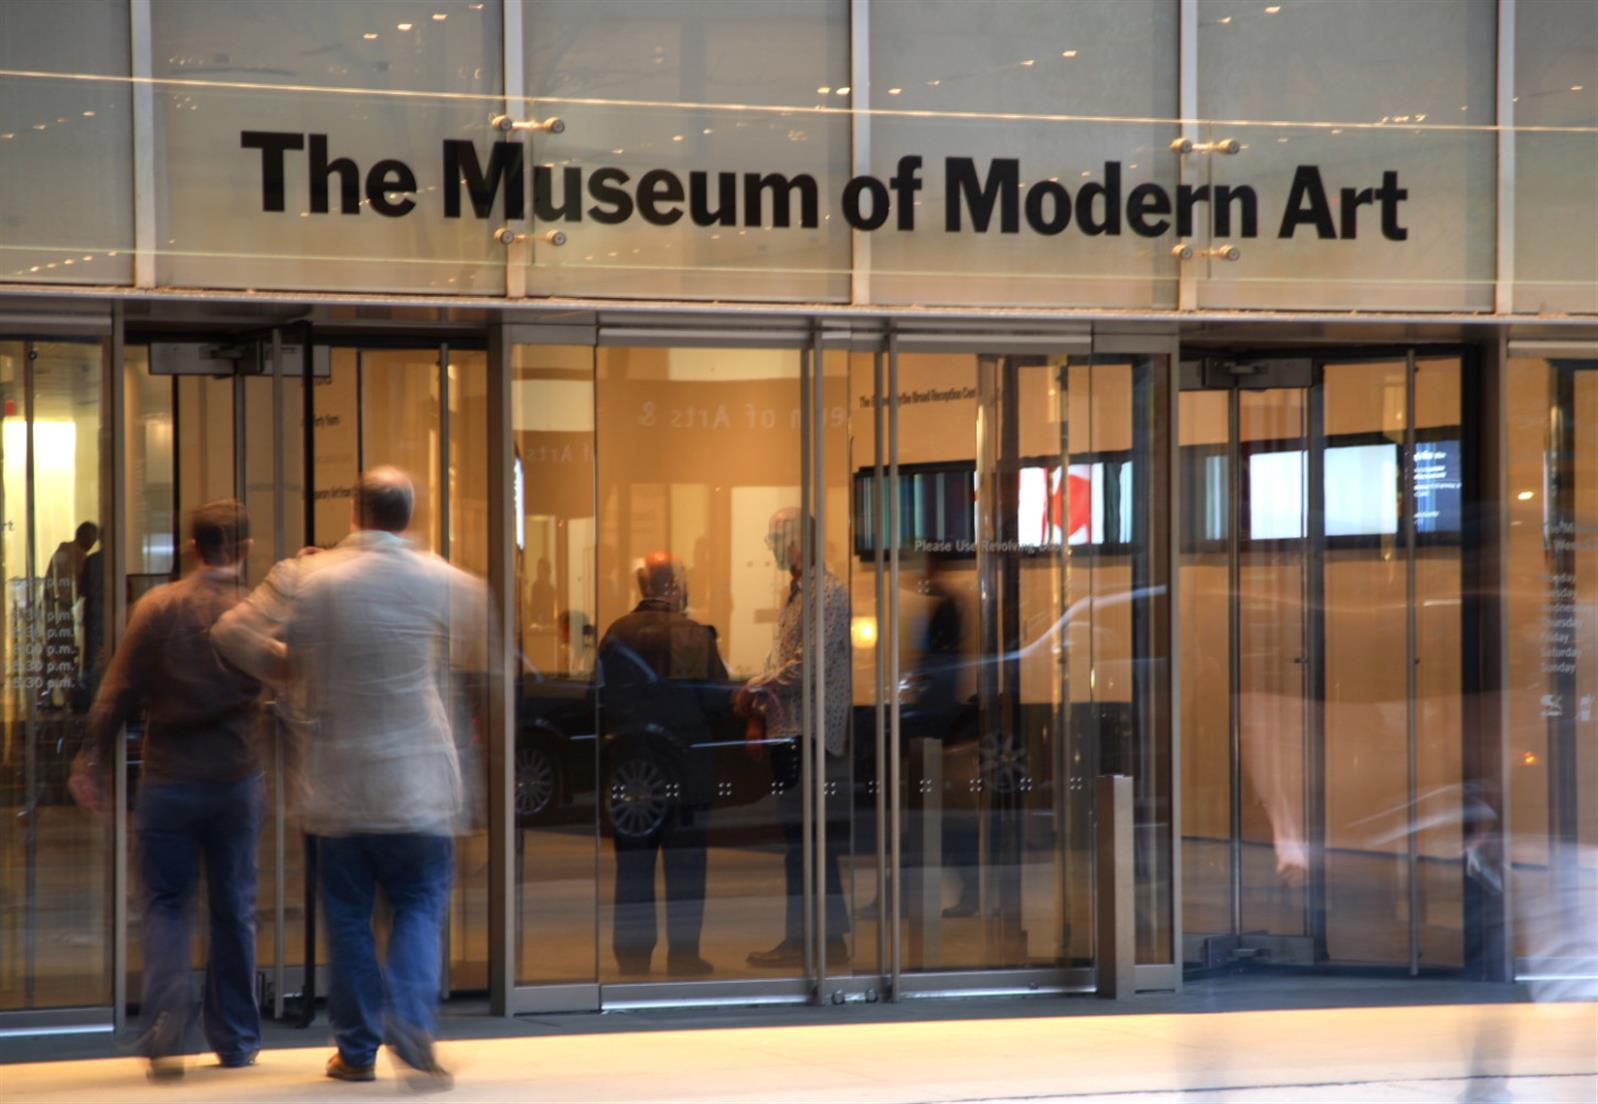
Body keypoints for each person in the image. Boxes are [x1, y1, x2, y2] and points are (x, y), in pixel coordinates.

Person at [217, 467, 485, 1088]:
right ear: (408, 517)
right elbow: (485, 640)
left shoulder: (309, 575)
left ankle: (357, 1050)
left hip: (337, 783)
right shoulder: (442, 578)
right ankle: (411, 1021)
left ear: (354, 514)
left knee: (347, 918)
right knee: (419, 905)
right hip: (419, 783)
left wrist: (289, 668)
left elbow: (231, 633)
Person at [72, 501, 263, 1080]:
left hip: (169, 777)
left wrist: (91, 759)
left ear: (192, 548)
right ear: (246, 549)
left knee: (165, 904)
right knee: (234, 907)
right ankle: (235, 1038)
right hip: (236, 776)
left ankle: (167, 1025)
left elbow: (117, 692)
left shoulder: (156, 608)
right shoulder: (253, 611)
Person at [598, 551, 728, 978]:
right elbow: (716, 700)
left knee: (633, 862)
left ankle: (633, 955)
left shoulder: (617, 634)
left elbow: (598, 699)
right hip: (686, 765)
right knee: (685, 862)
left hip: (633, 767)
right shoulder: (692, 634)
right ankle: (684, 954)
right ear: (674, 585)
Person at [739, 508, 852, 969]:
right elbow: (788, 661)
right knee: (804, 843)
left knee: (807, 842)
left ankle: (810, 938)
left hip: (811, 732)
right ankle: (823, 937)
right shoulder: (800, 595)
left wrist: (755, 689)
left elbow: (808, 665)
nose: (771, 549)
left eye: (774, 539)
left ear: (796, 541)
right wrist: (761, 710)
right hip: (793, 730)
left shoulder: (825, 593)